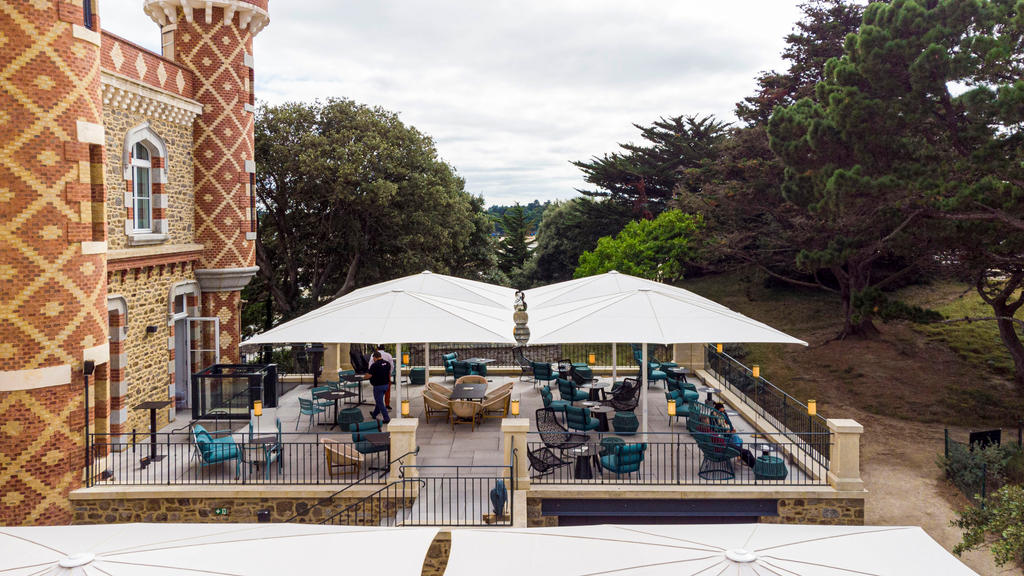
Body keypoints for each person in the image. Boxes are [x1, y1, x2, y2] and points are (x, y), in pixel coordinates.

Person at [713, 402, 756, 467]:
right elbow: (718, 429)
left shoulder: (723, 415)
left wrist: (731, 429)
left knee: (737, 438)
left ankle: (740, 455)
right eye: (721, 411)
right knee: (738, 440)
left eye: (723, 410)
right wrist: (726, 431)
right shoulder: (715, 417)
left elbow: (729, 423)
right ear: (717, 410)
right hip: (725, 440)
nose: (722, 412)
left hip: (727, 436)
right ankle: (740, 455)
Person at [367, 350, 391, 423]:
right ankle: (374, 414)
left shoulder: (374, 365)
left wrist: (363, 377)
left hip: (378, 386)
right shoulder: (387, 364)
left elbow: (369, 375)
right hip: (386, 385)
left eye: (373, 358)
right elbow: (389, 372)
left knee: (379, 402)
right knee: (379, 400)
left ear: (375, 357)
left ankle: (386, 418)